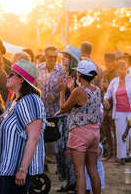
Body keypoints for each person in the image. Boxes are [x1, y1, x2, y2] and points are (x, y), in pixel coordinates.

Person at [0, 59, 45, 194]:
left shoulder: (30, 100)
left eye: (11, 74)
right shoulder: (14, 102)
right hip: (8, 167)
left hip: (17, 170)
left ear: (21, 79)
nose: (7, 76)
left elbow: (34, 138)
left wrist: (22, 169)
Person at [56, 60, 102, 194]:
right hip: (94, 132)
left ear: (80, 75)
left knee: (79, 172)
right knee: (93, 170)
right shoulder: (97, 90)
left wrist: (62, 91)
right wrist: (72, 89)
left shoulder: (78, 91)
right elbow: (82, 105)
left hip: (80, 133)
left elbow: (64, 108)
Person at [55, 45, 81, 193]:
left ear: (72, 59)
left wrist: (63, 91)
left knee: (67, 150)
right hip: (65, 116)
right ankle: (69, 181)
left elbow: (74, 99)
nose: (62, 58)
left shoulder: (75, 74)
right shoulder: (67, 72)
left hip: (71, 118)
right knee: (62, 150)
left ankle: (72, 183)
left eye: (65, 56)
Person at [37, 46, 64, 163]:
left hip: (55, 109)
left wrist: (55, 94)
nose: (53, 59)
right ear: (45, 56)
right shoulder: (38, 69)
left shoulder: (61, 70)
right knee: (40, 134)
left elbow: (64, 88)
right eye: (50, 57)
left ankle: (55, 158)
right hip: (40, 108)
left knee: (54, 134)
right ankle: (42, 159)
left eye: (55, 57)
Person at [103, 60, 131, 165]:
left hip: (130, 112)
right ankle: (121, 157)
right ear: (117, 70)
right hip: (119, 111)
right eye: (120, 68)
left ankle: (129, 155)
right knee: (119, 135)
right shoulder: (114, 81)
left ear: (126, 69)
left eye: (124, 68)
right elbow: (108, 93)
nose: (122, 71)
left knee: (130, 135)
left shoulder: (130, 79)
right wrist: (105, 100)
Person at [101, 53, 117, 161]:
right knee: (105, 128)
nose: (108, 64)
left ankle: (115, 155)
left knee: (114, 131)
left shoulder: (117, 74)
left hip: (114, 106)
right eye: (106, 61)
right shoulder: (105, 72)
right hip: (105, 106)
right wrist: (103, 88)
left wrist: (107, 88)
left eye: (110, 61)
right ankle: (110, 153)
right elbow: (103, 88)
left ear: (114, 62)